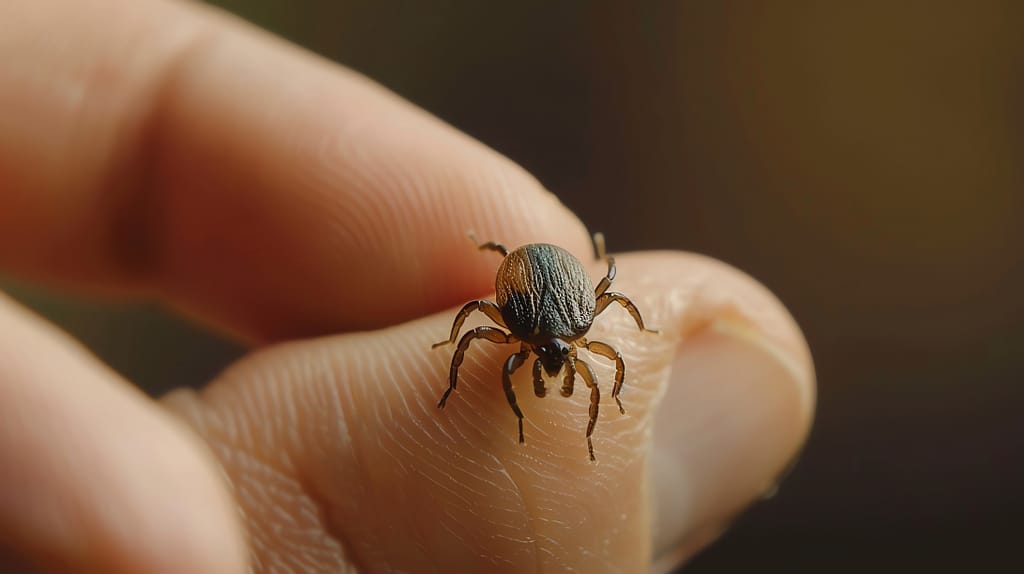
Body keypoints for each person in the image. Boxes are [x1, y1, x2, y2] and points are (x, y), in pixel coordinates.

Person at [0, 1, 815, 572]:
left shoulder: (574, 330)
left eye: (560, 357)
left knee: (569, 331)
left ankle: (573, 418)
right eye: (554, 358)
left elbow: (608, 306)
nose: (557, 365)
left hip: (555, 280)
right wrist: (480, 362)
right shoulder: (517, 332)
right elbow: (488, 314)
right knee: (477, 342)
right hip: (540, 279)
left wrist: (595, 405)